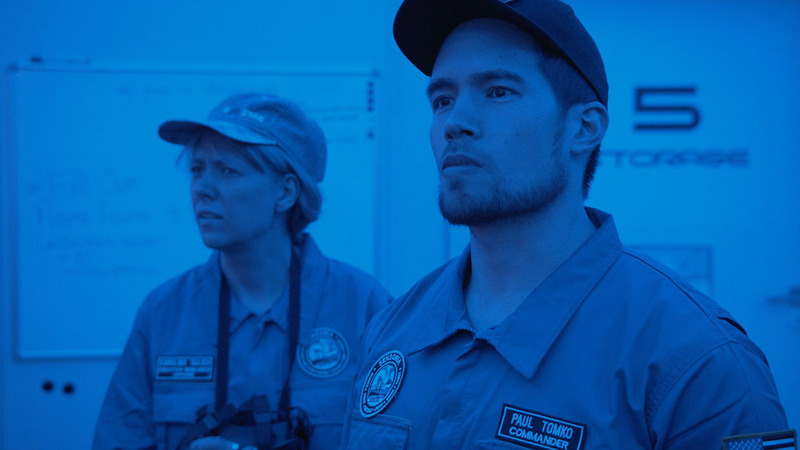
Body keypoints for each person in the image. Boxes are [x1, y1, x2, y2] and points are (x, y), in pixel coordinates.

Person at [339, 0, 790, 448]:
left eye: (498, 91)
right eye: (443, 100)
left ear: (583, 128)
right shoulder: (393, 329)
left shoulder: (696, 358)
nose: (454, 123)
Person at [92, 93, 392, 450]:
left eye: (227, 171)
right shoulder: (163, 313)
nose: (202, 189)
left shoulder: (365, 307)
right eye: (197, 169)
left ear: (285, 193)